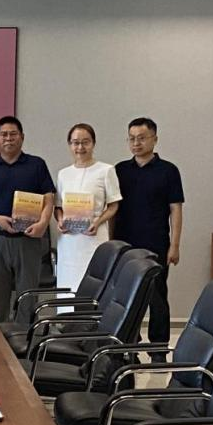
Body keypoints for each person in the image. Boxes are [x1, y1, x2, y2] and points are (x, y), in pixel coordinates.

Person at [112, 117, 184, 359]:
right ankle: (130, 345)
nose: (136, 143)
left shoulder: (169, 171)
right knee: (128, 298)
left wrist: (175, 245)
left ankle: (158, 349)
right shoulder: (120, 170)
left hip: (156, 242)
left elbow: (176, 209)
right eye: (132, 139)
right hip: (125, 244)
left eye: (141, 138)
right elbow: (113, 208)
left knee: (157, 297)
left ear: (155, 139)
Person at [0, 115, 55, 323]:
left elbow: (48, 196)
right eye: (4, 135)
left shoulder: (37, 165)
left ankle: (25, 337)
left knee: (27, 296)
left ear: (22, 137)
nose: (8, 138)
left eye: (13, 134)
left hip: (28, 240)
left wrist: (43, 223)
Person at [54, 123, 121, 310]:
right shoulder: (63, 174)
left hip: (94, 238)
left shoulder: (106, 170)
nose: (80, 147)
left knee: (95, 284)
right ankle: (65, 321)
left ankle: (92, 323)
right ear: (69, 144)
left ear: (93, 143)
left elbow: (113, 205)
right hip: (68, 241)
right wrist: (60, 220)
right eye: (75, 143)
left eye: (85, 142)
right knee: (68, 286)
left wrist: (98, 222)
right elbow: (58, 207)